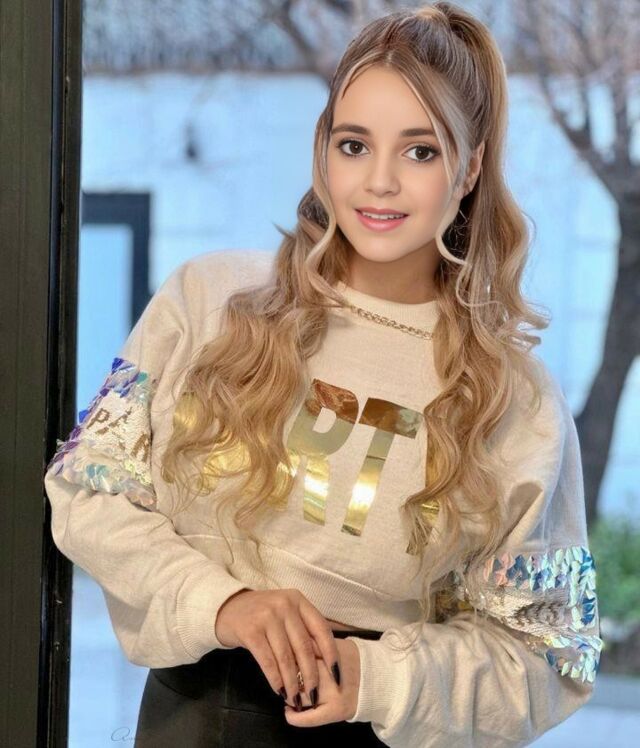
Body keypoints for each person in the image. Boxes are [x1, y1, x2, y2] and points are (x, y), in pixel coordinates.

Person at [44, 2, 602, 747]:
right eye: (354, 144)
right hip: (189, 720)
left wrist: (374, 676)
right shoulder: (209, 300)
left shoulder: (516, 401)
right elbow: (86, 491)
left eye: (420, 151)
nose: (379, 182)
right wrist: (223, 602)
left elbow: (550, 658)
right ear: (323, 151)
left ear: (469, 169)